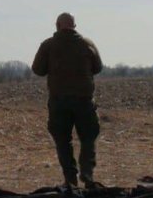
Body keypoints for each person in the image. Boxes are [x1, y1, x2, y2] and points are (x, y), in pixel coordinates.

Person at [31, 12, 104, 191]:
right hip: (84, 101)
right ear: (74, 26)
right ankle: (87, 174)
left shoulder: (48, 45)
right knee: (88, 138)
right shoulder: (87, 44)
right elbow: (98, 67)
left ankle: (70, 180)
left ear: (57, 26)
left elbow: (38, 69)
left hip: (59, 102)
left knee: (63, 141)